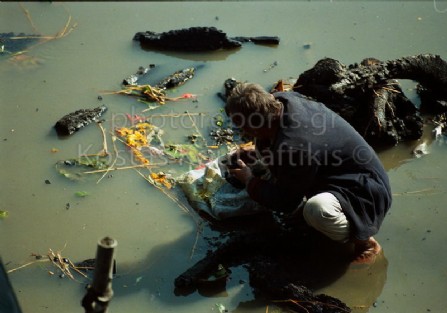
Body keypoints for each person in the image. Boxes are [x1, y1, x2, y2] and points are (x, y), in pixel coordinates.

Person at [225, 83, 392, 264]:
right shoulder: (283, 100)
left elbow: (286, 202)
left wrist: (249, 180)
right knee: (262, 149)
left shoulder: (295, 146)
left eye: (243, 126)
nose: (242, 132)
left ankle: (364, 241)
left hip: (363, 192)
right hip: (334, 170)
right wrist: (259, 158)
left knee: (316, 210)